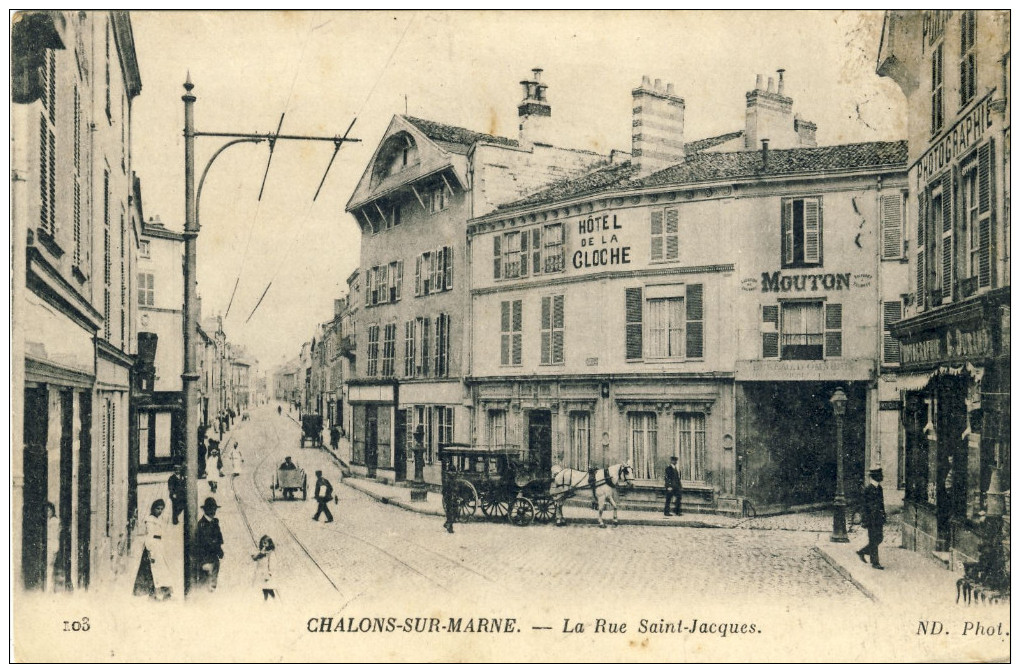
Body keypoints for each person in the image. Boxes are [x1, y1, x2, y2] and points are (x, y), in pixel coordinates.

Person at [134, 499, 173, 600]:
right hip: (153, 547)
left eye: (161, 509)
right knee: (153, 570)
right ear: (153, 508)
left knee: (162, 570)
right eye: (157, 509)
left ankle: (165, 593)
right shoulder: (150, 520)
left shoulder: (159, 520)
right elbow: (149, 535)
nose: (159, 511)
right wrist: (150, 550)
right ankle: (153, 594)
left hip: (159, 546)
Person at [857, 465, 887, 570]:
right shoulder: (868, 489)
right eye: (880, 475)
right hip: (871, 519)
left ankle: (862, 552)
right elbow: (864, 506)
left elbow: (881, 503)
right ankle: (875, 563)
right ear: (876, 476)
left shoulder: (879, 488)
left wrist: (884, 514)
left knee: (879, 538)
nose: (882, 476)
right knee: (874, 540)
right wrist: (865, 519)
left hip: (878, 518)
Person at [195, 497, 224, 591]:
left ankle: (210, 596)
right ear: (205, 509)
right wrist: (216, 547)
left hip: (214, 558)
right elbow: (205, 542)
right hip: (206, 558)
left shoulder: (215, 522)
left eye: (214, 509)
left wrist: (219, 549)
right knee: (205, 582)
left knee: (213, 582)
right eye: (210, 508)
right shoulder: (202, 524)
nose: (213, 511)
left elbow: (219, 538)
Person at [251, 535, 277, 601]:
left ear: (269, 543)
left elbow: (271, 563)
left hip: (266, 573)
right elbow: (254, 558)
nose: (263, 544)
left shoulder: (270, 553)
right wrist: (260, 553)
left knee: (268, 588)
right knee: (264, 588)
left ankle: (273, 599)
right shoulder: (261, 551)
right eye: (262, 542)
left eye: (265, 543)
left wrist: (270, 573)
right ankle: (266, 600)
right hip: (260, 573)